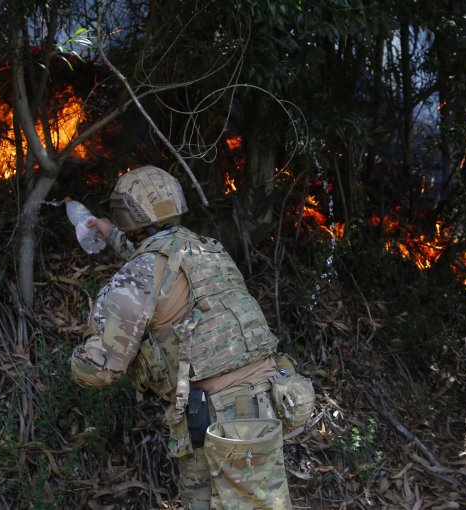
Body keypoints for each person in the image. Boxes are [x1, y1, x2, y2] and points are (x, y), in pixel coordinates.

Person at [68, 165, 311, 509]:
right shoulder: (208, 250)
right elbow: (160, 261)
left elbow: (98, 371)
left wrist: (88, 340)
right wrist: (108, 233)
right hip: (265, 403)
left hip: (222, 422)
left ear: (126, 213)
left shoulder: (139, 275)